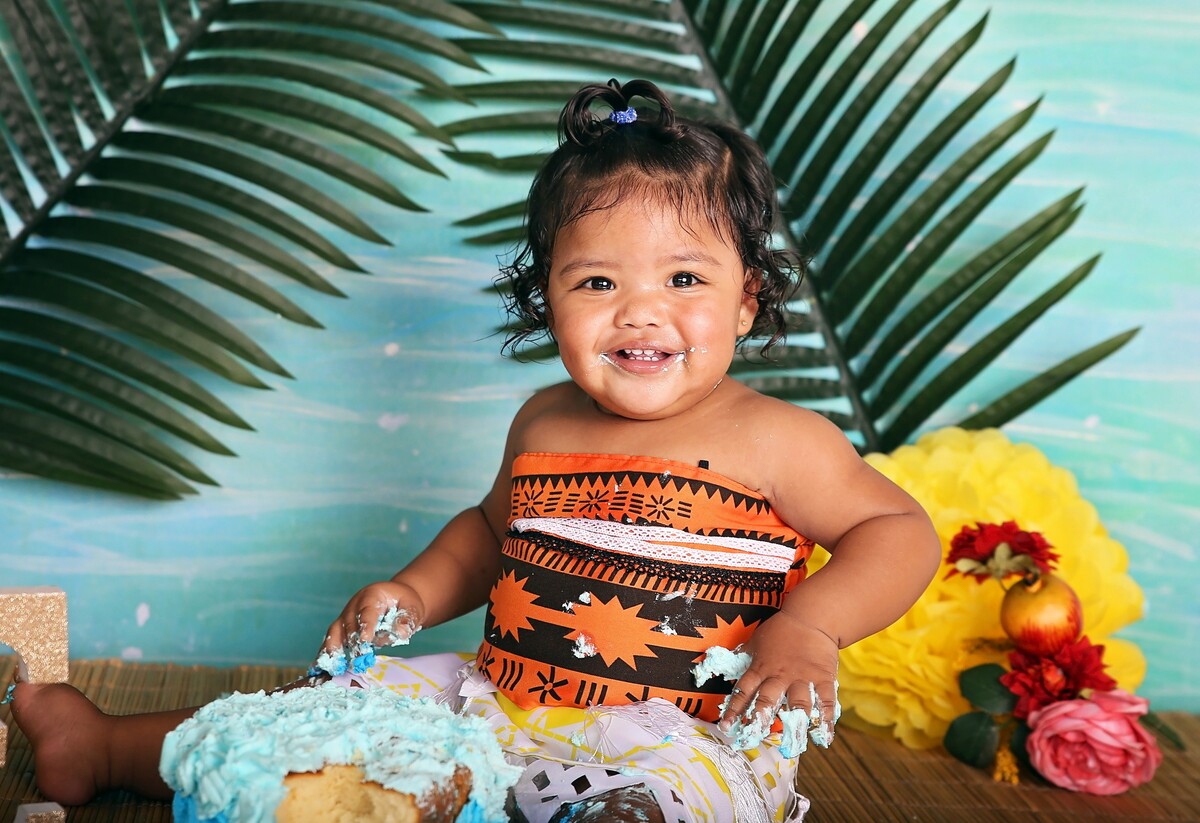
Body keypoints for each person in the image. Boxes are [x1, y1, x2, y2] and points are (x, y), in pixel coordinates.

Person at [9, 78, 940, 822]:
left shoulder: (779, 438)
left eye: (685, 278)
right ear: (547, 299)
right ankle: (108, 748)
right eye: (597, 282)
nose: (640, 311)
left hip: (684, 735)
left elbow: (897, 529)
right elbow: (493, 533)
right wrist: (413, 592)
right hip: (494, 702)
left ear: (746, 299)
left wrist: (810, 628)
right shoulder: (544, 421)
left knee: (658, 800)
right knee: (316, 713)